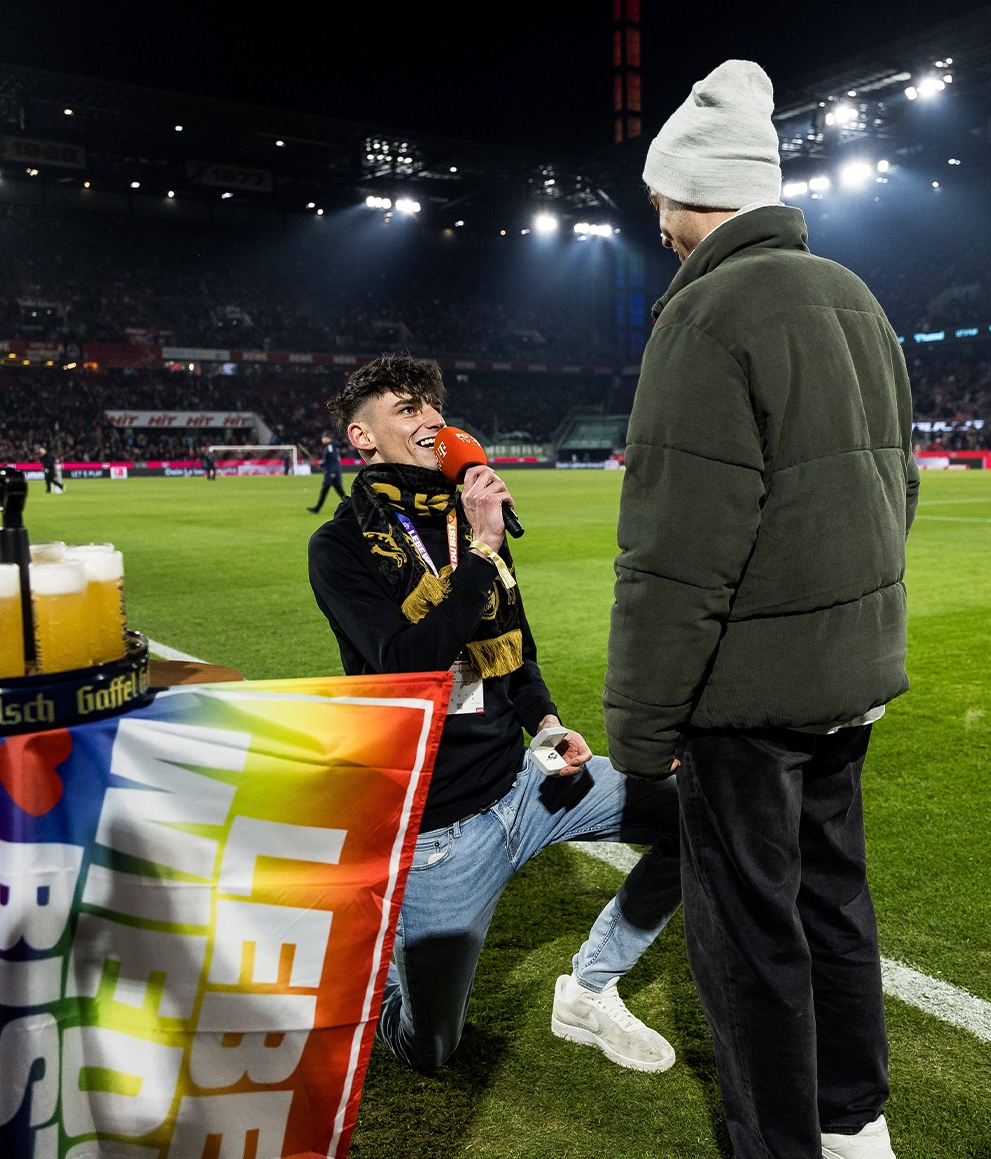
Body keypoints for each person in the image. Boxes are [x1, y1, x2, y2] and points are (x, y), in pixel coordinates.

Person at [603, 61, 920, 1159]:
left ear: (697, 192)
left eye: (660, 197)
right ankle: (853, 1124)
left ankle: (779, 1141)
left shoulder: (705, 318)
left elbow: (675, 557)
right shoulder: (855, 295)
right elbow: (899, 492)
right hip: (851, 675)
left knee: (749, 933)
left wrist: (644, 733)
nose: (655, 219)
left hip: (747, 700)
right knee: (834, 901)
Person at [308, 352, 681, 1074]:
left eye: (434, 406)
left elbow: (517, 649)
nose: (432, 419)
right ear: (362, 437)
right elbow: (405, 665)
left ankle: (590, 989)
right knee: (430, 1047)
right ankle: (375, 961)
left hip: (526, 784)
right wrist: (480, 549)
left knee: (698, 815)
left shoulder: (466, 521)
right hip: (441, 827)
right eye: (408, 408)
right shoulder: (342, 546)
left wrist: (544, 722)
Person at [306, 432, 346, 513]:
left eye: (323, 438)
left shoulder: (330, 447)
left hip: (331, 474)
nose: (322, 439)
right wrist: (322, 465)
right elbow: (331, 460)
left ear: (328, 438)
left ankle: (317, 509)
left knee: (327, 491)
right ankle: (352, 506)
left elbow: (334, 460)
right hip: (332, 472)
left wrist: (333, 473)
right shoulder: (331, 446)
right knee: (340, 492)